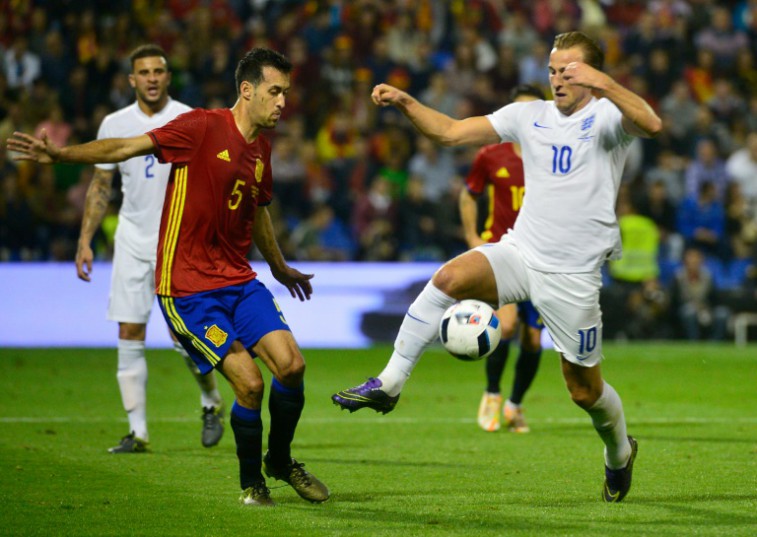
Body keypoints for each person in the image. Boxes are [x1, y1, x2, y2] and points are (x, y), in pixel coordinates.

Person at [333, 31, 662, 503]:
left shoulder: (609, 117)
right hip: (521, 251)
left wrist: (605, 83)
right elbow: (449, 132)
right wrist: (407, 102)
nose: (557, 80)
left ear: (590, 73)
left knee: (584, 391)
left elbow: (652, 123)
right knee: (448, 278)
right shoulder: (528, 116)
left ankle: (619, 453)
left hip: (572, 276)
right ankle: (389, 383)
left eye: (568, 71)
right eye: (552, 71)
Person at [8, 47, 329, 507]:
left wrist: (278, 267)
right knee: (250, 384)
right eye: (275, 91)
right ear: (247, 90)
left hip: (239, 281)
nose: (283, 102)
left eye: (286, 93)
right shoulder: (200, 127)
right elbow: (123, 148)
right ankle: (250, 485)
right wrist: (60, 155)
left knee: (293, 366)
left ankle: (278, 461)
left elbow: (258, 210)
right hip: (189, 291)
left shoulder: (262, 147)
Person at [72, 44, 225, 454]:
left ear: (168, 77)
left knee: (186, 338)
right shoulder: (114, 124)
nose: (152, 78)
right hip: (132, 239)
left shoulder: (191, 120)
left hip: (180, 245)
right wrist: (85, 240)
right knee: (129, 331)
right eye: (144, 72)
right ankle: (137, 432)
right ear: (131, 80)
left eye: (159, 70)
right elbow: (102, 185)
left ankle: (210, 400)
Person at [460, 84, 546, 433]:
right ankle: (492, 394)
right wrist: (471, 238)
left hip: (540, 257)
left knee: (534, 340)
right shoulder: (490, 155)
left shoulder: (554, 158)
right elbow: (469, 196)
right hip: (501, 253)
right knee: (506, 326)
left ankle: (514, 405)